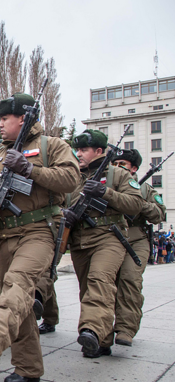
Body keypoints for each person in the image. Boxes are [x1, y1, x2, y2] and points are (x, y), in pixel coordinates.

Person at [0, 93, 80, 382]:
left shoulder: (51, 146)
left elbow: (70, 180)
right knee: (20, 302)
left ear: (23, 119)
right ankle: (28, 367)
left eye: (5, 119)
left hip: (38, 231)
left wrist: (30, 169)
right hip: (1, 235)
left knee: (18, 283)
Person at [62, 130, 143, 358]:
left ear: (99, 151)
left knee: (100, 280)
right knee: (87, 288)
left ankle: (91, 331)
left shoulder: (117, 174)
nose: (78, 154)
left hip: (109, 237)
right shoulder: (72, 176)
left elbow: (136, 205)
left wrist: (106, 192)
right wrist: (63, 215)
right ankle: (102, 340)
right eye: (77, 150)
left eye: (83, 150)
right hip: (79, 240)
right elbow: (58, 203)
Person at [107, 149, 166, 346]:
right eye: (114, 163)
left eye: (122, 163)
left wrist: (138, 203)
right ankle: (101, 329)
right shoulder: (107, 185)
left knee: (130, 279)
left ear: (134, 168)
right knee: (104, 283)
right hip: (110, 237)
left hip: (135, 240)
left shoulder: (145, 189)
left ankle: (125, 328)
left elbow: (159, 215)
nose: (117, 167)